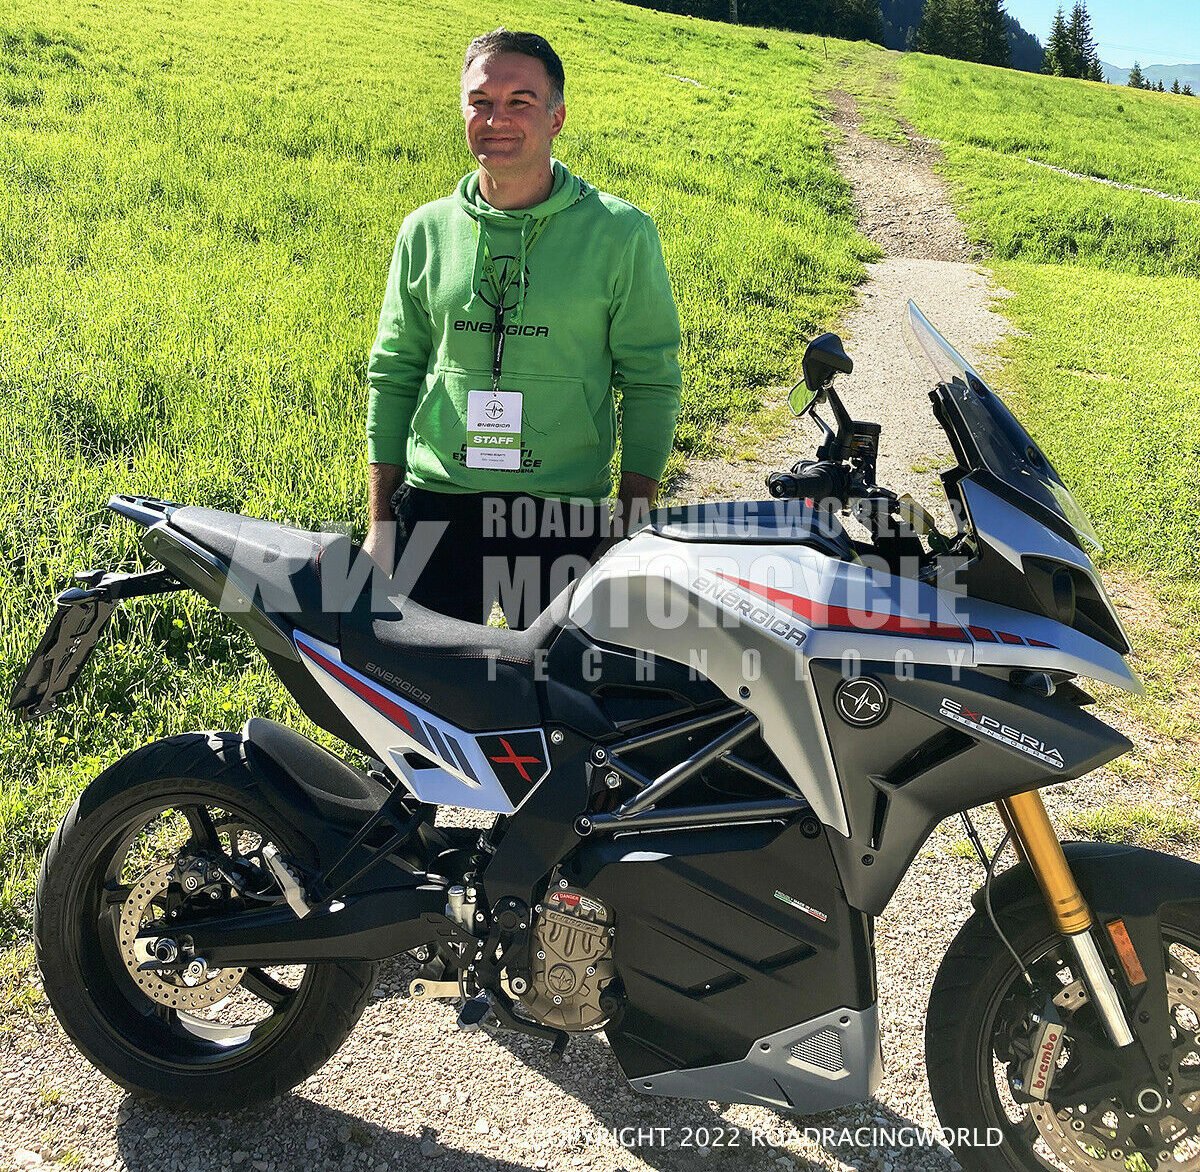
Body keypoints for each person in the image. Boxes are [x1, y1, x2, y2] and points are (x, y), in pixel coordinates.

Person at [363, 28, 682, 628]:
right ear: (463, 111)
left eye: (520, 102)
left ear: (557, 117)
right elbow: (393, 371)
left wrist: (630, 520)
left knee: (564, 705)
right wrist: (382, 526)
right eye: (481, 101)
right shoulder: (426, 231)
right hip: (438, 504)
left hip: (560, 513)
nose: (496, 119)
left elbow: (651, 380)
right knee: (421, 701)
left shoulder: (620, 234)